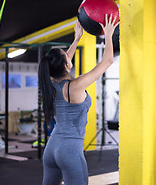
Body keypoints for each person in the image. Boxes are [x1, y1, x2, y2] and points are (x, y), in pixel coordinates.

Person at [38, 14, 119, 185]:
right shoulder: (75, 85)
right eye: (67, 56)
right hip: (69, 150)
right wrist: (109, 34)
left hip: (52, 148)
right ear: (66, 64)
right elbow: (108, 61)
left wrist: (77, 39)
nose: (69, 56)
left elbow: (61, 61)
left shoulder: (51, 82)